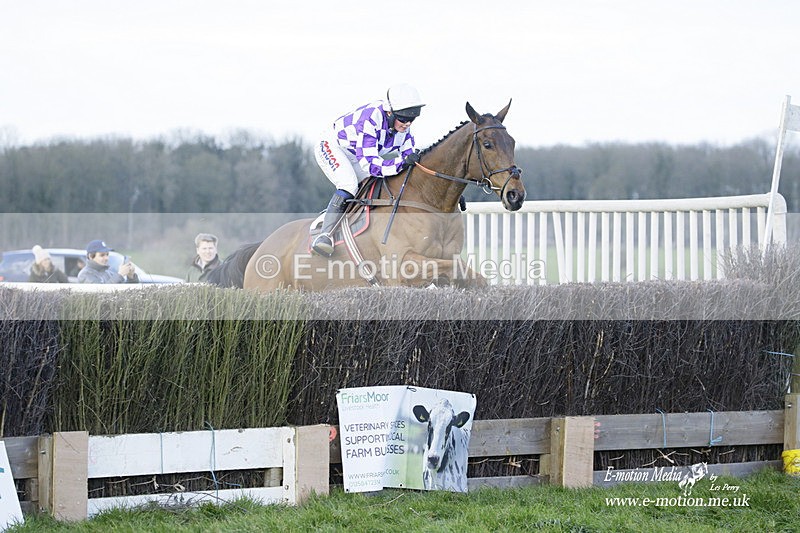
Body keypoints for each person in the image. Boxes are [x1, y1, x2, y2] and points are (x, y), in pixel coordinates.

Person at [311, 82, 425, 257]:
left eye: (412, 118)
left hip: (357, 155)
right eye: (403, 118)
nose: (408, 123)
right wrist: (400, 163)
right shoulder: (370, 119)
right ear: (390, 113)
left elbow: (412, 164)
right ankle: (324, 235)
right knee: (349, 185)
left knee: (377, 184)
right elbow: (371, 165)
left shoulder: (403, 127)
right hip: (332, 147)